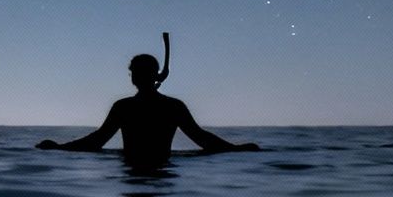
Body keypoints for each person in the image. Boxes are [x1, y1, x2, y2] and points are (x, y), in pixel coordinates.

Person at [36, 52, 258, 165]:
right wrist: (237, 149)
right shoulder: (169, 106)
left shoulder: (127, 107)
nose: (137, 76)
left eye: (139, 71)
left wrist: (58, 148)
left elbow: (97, 141)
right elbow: (203, 139)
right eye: (136, 71)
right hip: (163, 171)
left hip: (133, 172)